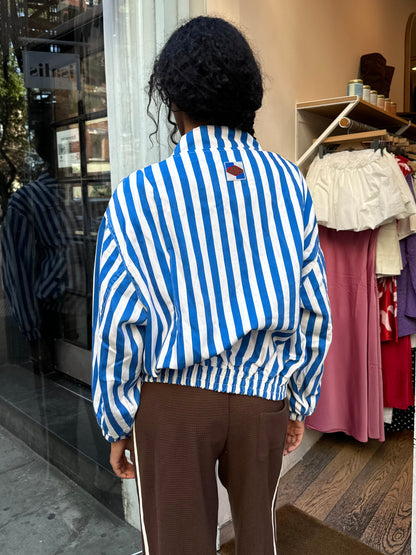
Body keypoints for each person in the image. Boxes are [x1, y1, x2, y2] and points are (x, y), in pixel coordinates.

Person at [92, 16, 332, 555]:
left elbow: (117, 321)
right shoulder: (289, 184)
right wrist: (297, 400)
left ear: (174, 99)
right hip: (261, 399)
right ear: (247, 95)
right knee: (257, 540)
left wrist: (116, 418)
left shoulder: (140, 194)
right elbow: (315, 306)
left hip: (173, 406)